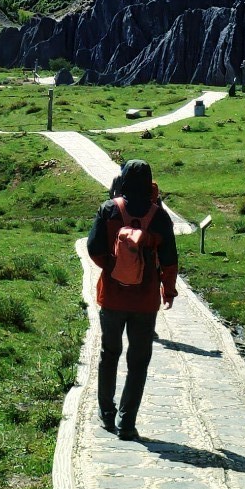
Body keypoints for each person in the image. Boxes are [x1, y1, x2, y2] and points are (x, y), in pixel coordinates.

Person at [86, 156, 178, 442]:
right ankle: (127, 423)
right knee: (138, 361)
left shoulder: (109, 210)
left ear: (123, 179)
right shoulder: (159, 216)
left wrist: (113, 268)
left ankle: (106, 413)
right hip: (144, 300)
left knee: (109, 355)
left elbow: (93, 247)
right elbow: (170, 259)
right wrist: (168, 289)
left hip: (112, 297)